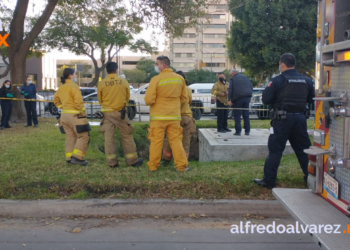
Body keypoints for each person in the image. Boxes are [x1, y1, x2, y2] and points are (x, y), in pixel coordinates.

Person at [254, 53, 314, 188]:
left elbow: (266, 99)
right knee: (304, 150)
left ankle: (269, 180)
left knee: (275, 150)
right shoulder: (307, 80)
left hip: (282, 120)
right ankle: (310, 179)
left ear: (282, 64)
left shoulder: (277, 81)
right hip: (300, 119)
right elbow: (311, 99)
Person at [145, 55, 189, 172]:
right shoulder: (180, 79)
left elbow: (148, 100)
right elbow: (183, 98)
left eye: (157, 64)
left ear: (163, 65)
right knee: (175, 140)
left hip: (158, 117)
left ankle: (153, 166)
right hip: (174, 116)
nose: (156, 66)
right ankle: (181, 166)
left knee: (156, 141)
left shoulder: (156, 79)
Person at [97, 62, 143, 168]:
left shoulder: (102, 83)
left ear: (106, 71)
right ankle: (132, 161)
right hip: (120, 113)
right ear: (117, 70)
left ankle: (112, 163)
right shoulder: (123, 82)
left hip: (107, 114)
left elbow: (100, 99)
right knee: (126, 135)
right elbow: (127, 97)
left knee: (109, 138)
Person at [53, 68, 90, 166]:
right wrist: (82, 112)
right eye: (74, 74)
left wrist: (63, 107)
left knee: (70, 136)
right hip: (75, 115)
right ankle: (78, 158)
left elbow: (55, 101)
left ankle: (69, 157)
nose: (75, 76)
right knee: (83, 136)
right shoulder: (73, 86)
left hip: (64, 116)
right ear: (70, 75)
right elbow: (78, 101)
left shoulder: (61, 87)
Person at [162, 71, 196, 162]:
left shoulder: (169, 88)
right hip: (186, 117)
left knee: (169, 139)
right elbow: (189, 101)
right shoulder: (187, 89)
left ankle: (166, 158)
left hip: (173, 117)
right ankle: (183, 160)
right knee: (185, 141)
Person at [228, 69, 253, 136]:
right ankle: (247, 131)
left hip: (237, 98)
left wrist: (229, 99)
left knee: (237, 115)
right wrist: (250, 97)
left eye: (231, 75)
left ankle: (238, 131)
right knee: (246, 114)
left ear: (233, 73)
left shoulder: (233, 79)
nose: (231, 76)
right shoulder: (246, 77)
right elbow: (251, 87)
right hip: (246, 98)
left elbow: (230, 89)